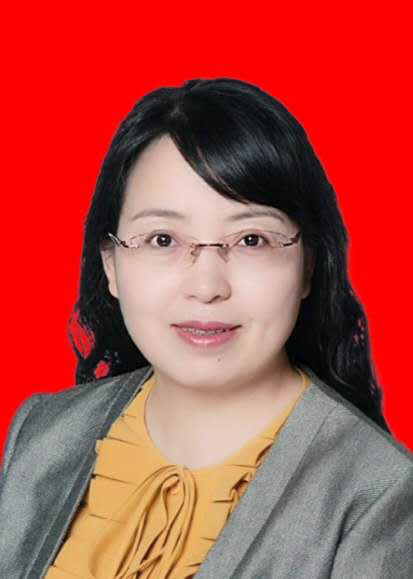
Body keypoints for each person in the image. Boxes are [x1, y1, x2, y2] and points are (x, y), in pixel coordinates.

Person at [1, 78, 412, 579]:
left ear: (308, 266)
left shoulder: (379, 497)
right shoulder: (42, 434)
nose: (207, 286)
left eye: (252, 240)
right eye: (162, 239)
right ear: (110, 263)